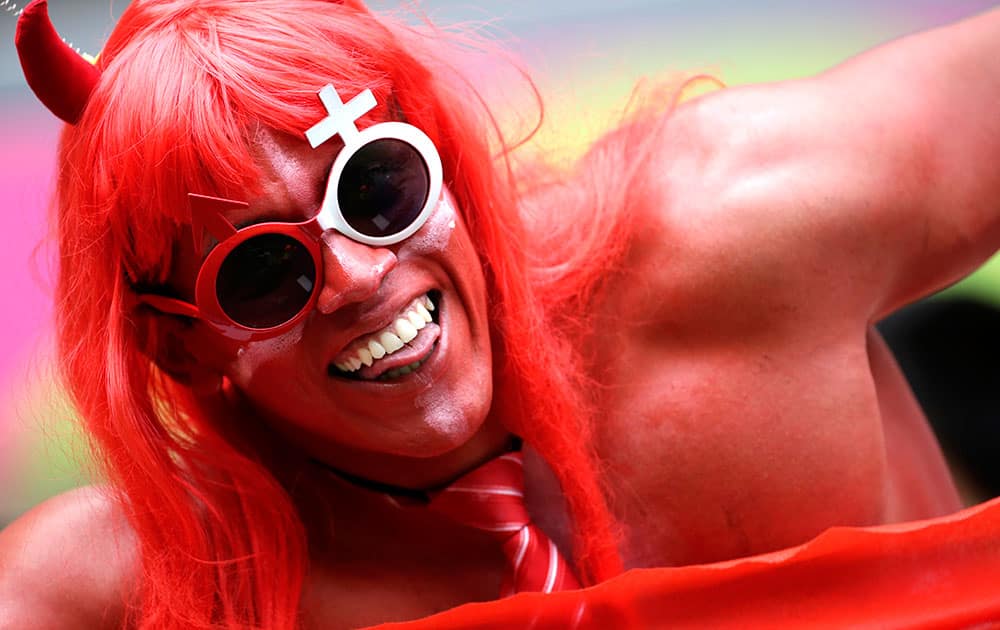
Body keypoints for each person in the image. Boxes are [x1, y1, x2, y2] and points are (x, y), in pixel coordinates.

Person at [1, 0, 998, 627]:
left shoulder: (737, 222)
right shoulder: (136, 584)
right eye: (263, 275)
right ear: (183, 346)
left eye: (376, 188)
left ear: (447, 159)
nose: (353, 277)